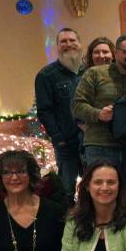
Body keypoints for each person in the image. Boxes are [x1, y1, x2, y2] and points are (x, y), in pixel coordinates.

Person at [71, 34, 126, 206]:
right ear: (116, 52)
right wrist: (99, 114)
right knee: (100, 200)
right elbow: (77, 105)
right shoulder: (95, 74)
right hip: (100, 147)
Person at [35, 27, 84, 203]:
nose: (68, 44)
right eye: (63, 41)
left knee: (95, 185)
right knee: (66, 190)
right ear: (57, 46)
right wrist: (58, 138)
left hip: (91, 140)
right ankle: (67, 226)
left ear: (80, 44)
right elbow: (44, 110)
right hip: (66, 142)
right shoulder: (46, 75)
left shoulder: (88, 72)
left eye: (72, 40)